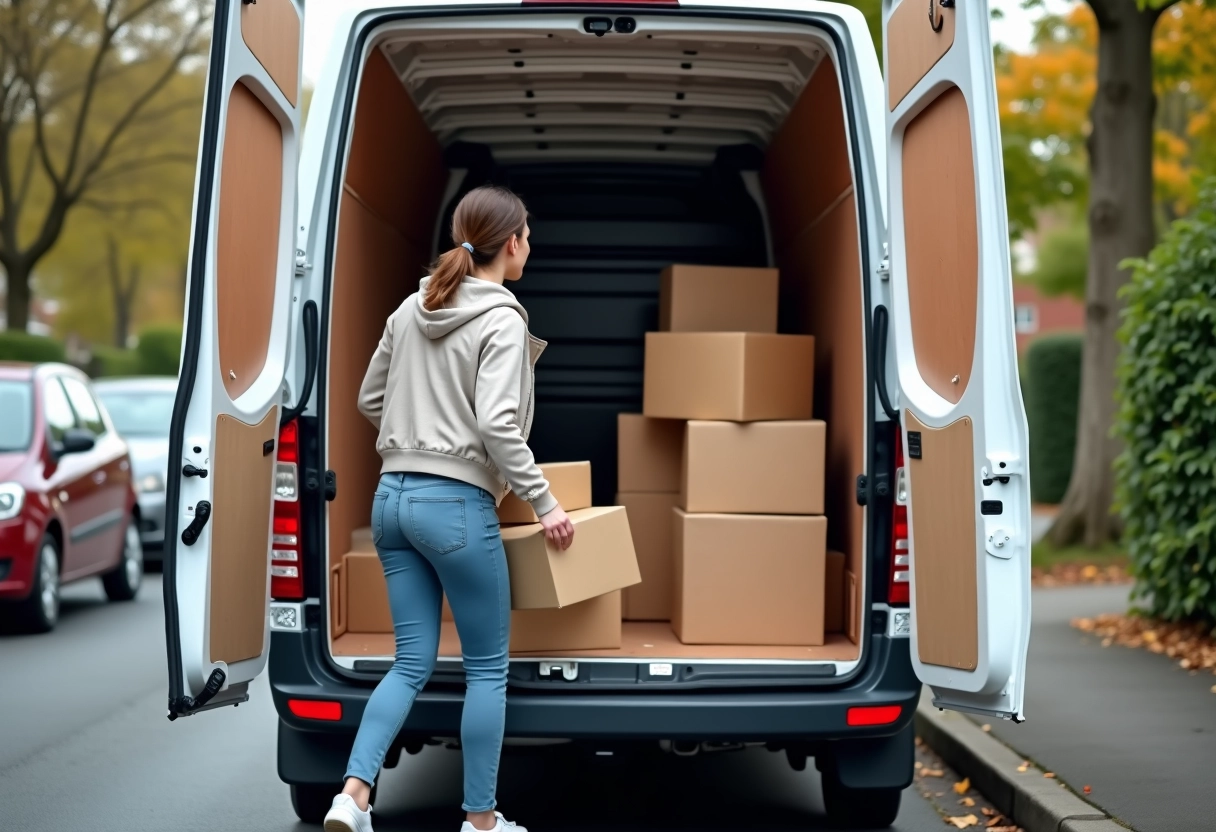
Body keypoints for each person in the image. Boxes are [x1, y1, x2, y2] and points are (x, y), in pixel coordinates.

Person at [324, 185, 576, 832]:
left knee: (410, 662)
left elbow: (370, 398)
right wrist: (545, 504)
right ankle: (480, 821)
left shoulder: (412, 307)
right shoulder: (503, 319)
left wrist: (414, 437)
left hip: (391, 501)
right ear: (511, 243)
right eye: (528, 236)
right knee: (487, 669)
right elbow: (497, 424)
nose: (530, 246)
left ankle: (352, 796)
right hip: (456, 508)